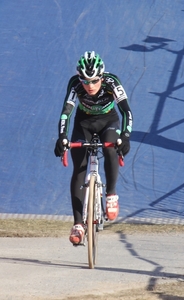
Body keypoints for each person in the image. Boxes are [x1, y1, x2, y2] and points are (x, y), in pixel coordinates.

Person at [54, 51, 133, 245]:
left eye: (94, 81)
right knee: (79, 169)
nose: (90, 86)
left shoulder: (111, 82)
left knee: (110, 148)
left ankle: (111, 194)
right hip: (84, 123)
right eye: (85, 81)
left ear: (102, 77)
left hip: (108, 121)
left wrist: (125, 136)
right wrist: (62, 137)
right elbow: (66, 112)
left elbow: (126, 111)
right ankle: (78, 224)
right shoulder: (75, 84)